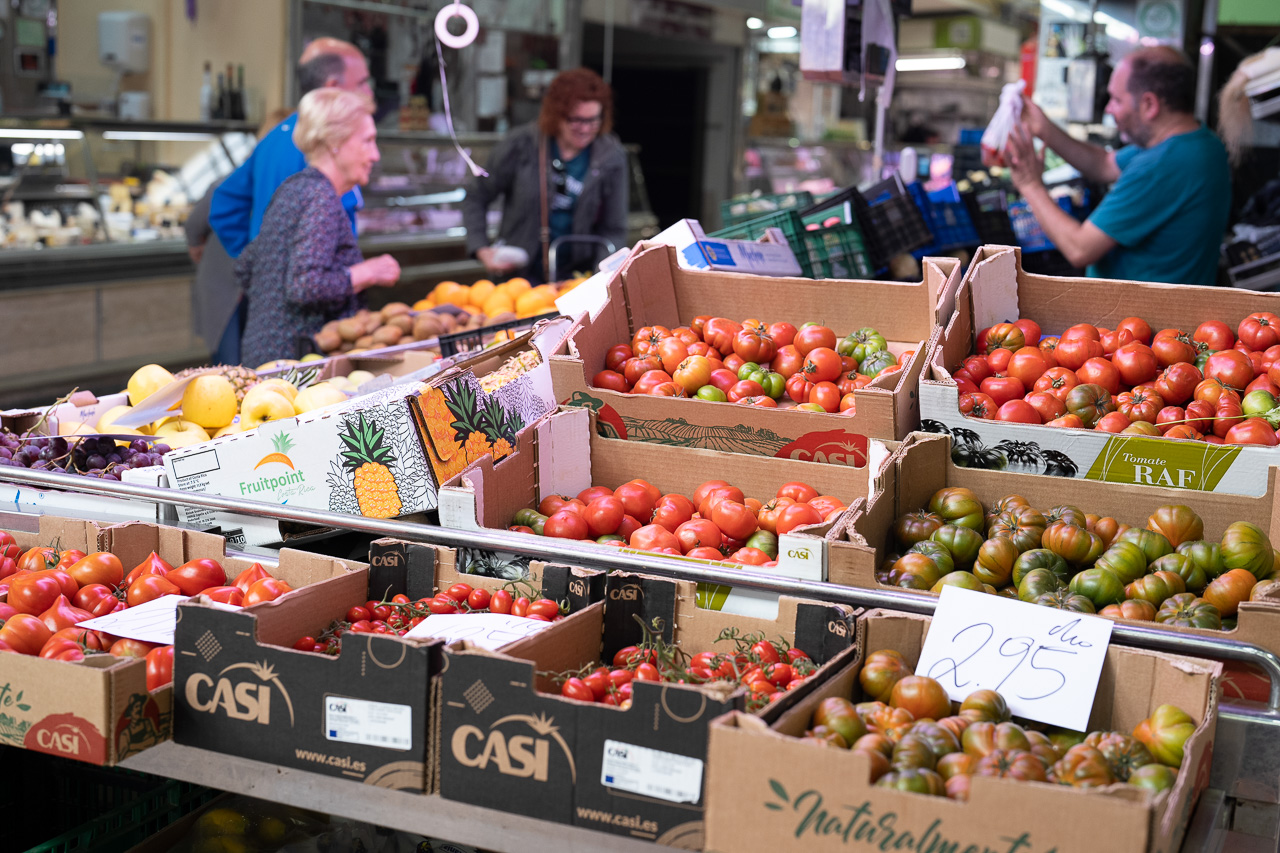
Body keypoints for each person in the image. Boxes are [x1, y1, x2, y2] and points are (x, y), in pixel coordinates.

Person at [1005, 46, 1231, 287]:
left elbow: (1079, 248)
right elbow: (1103, 164)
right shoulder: (1200, 142)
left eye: (1116, 99)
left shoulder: (1161, 165)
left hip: (1137, 320)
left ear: (1149, 105)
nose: (1109, 109)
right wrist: (1045, 129)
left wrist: (1030, 184)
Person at [236, 89, 400, 367]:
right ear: (336, 143)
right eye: (368, 141)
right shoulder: (321, 198)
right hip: (298, 366)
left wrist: (271, 312)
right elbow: (305, 285)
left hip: (264, 358)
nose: (375, 154)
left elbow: (245, 266)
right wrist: (365, 273)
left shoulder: (292, 188)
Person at [463, 67, 628, 283]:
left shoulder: (610, 156)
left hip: (578, 279)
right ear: (556, 114)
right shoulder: (521, 145)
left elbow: (614, 228)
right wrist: (481, 249)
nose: (586, 129)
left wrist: (602, 279)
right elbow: (477, 195)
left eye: (593, 120)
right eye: (576, 120)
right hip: (517, 277)